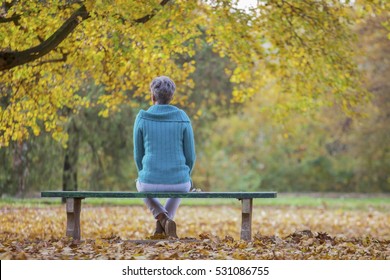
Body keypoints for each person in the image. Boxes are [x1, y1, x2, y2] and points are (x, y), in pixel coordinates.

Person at [133, 76, 196, 238]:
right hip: (180, 183)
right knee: (184, 186)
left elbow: (138, 154)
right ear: (172, 97)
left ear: (153, 96)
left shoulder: (142, 118)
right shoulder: (182, 117)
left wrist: (145, 173)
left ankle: (162, 219)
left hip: (148, 183)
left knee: (140, 185)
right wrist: (185, 175)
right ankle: (166, 222)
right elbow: (191, 156)